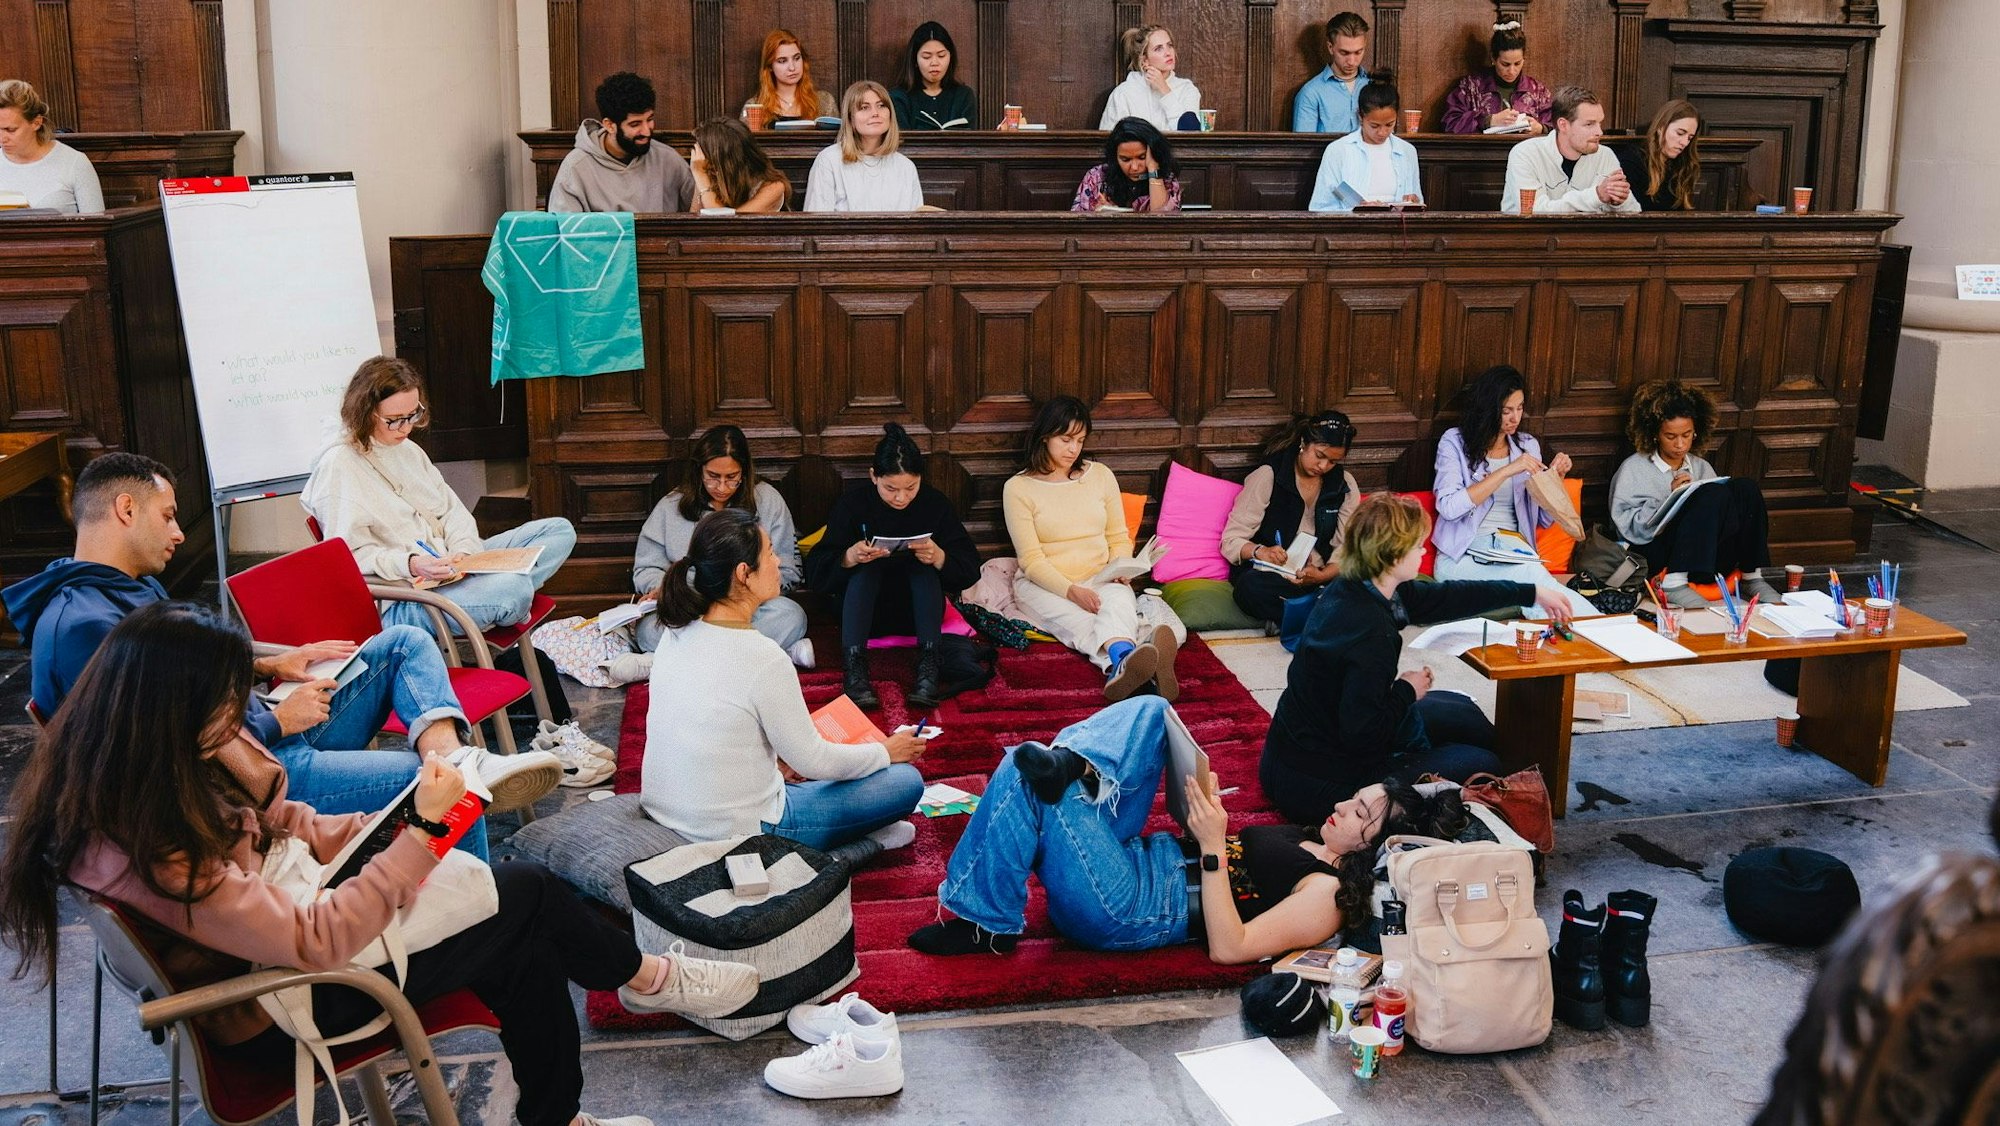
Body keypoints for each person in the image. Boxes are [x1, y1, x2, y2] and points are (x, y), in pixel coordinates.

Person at [0, 601, 759, 1126]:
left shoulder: (126, 772)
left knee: (518, 923)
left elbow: (274, 818)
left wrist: (362, 831)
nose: (239, 722)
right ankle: (643, 981)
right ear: (170, 712)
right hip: (287, 1000)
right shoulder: (159, 848)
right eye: (226, 712)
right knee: (522, 896)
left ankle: (609, 1029)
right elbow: (318, 942)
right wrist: (418, 840)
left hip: (279, 938)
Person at [0, 453, 559, 825]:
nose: (177, 532)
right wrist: (276, 721)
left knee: (401, 648)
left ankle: (455, 755)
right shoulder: (86, 628)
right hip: (255, 775)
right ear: (126, 509)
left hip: (265, 737)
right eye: (169, 516)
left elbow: (181, 675)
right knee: (447, 791)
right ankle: (470, 922)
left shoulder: (120, 589)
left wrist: (272, 665)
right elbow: (166, 755)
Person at [907, 695, 1470, 957]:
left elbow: (1232, 947)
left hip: (1127, 908)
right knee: (1152, 711)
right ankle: (1080, 765)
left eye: (1360, 814)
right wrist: (1193, 787)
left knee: (1029, 776)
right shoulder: (1310, 836)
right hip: (1131, 854)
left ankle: (986, 924)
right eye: (1353, 798)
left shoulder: (1326, 896)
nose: (1344, 807)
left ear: (1374, 847)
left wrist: (1210, 847)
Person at [1261, 493, 1575, 825]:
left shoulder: (1358, 584)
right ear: (1392, 556)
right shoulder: (1370, 633)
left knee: (1465, 715)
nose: (1424, 551)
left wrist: (1529, 591)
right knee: (1484, 761)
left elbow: (1446, 597)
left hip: (1296, 754)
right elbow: (1362, 736)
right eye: (1417, 546)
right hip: (1319, 781)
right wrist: (1406, 691)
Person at [641, 509, 927, 851]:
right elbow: (814, 762)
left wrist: (774, 765)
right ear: (744, 574)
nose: (778, 562)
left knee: (800, 770)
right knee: (905, 782)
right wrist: (885, 752)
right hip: (742, 830)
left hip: (667, 812)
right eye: (771, 553)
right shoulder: (764, 656)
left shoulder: (676, 632)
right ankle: (859, 845)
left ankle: (855, 835)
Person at [304, 357, 578, 635]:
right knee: (513, 588)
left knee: (558, 531)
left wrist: (464, 552)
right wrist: (412, 564)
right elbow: (349, 558)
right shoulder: (339, 466)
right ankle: (502, 598)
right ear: (365, 412)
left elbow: (451, 511)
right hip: (407, 597)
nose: (406, 428)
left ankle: (496, 598)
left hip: (450, 569)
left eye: (413, 414)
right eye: (394, 420)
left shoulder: (408, 450)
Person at [1002, 396, 1179, 703]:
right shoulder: (1018, 488)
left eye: (1080, 441)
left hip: (1100, 574)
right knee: (1082, 621)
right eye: (1066, 439)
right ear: (1045, 436)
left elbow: (1118, 535)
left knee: (1117, 601)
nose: (1074, 449)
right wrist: (1072, 591)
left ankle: (1121, 666)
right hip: (1044, 585)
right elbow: (1030, 560)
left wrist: (1120, 566)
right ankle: (1135, 656)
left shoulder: (1099, 475)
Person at [806, 423, 981, 711]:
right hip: (863, 615)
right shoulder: (853, 504)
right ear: (873, 476)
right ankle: (855, 669)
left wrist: (939, 556)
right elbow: (815, 571)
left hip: (917, 614)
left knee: (921, 567)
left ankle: (929, 666)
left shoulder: (934, 504)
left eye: (910, 488)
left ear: (920, 479)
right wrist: (849, 557)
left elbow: (969, 567)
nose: (901, 498)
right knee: (867, 569)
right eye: (890, 488)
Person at [630, 424, 810, 668]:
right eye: (713, 477)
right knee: (648, 630)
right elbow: (646, 567)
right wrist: (666, 588)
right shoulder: (671, 505)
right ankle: (764, 655)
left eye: (732, 478)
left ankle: (679, 661)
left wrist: (748, 592)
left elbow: (788, 571)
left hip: (748, 609)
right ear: (698, 471)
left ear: (744, 473)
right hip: (692, 611)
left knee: (790, 615)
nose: (722, 487)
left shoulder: (768, 501)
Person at [1431, 365, 1599, 617]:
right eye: (1506, 410)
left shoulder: (1527, 446)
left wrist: (1555, 479)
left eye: (1520, 408)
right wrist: (1506, 471)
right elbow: (1449, 507)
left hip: (1513, 552)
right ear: (1487, 409)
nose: (1515, 418)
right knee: (1531, 579)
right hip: (1462, 558)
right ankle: (1597, 631)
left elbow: (1544, 520)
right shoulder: (1454, 442)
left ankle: (1595, 631)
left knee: (1533, 578)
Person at [1610, 379, 1777, 609]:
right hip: (1660, 559)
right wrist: (1670, 500)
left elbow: (1719, 519)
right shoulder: (1634, 468)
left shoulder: (1700, 467)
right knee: (1708, 494)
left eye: (1686, 435)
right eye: (1671, 436)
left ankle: (1752, 576)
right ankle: (1673, 583)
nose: (1680, 444)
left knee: (1745, 488)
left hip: (1704, 560)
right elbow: (1625, 528)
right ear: (1655, 434)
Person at [1221, 412, 1362, 625]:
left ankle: (1298, 614)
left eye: (1333, 461)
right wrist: (1262, 551)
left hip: (1320, 577)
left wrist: (1323, 576)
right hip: (1273, 576)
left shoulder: (1345, 485)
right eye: (1319, 455)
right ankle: (1324, 615)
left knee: (1374, 577)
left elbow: (1347, 549)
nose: (1323, 466)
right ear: (1304, 443)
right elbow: (1231, 541)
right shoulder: (1269, 475)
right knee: (1249, 587)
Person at [547, 71, 695, 214]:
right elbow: (566, 230)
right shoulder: (575, 167)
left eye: (649, 120)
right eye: (635, 124)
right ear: (609, 125)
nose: (647, 131)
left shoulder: (668, 159)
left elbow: (700, 215)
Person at [1500, 86, 1638, 214]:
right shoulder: (1525, 153)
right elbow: (1532, 211)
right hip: (1529, 239)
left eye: (1599, 123)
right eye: (1589, 124)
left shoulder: (1605, 155)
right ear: (1563, 125)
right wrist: (1596, 196)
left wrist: (1617, 202)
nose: (1599, 132)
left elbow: (1634, 212)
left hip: (1586, 239)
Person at [802, 81, 925, 213]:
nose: (875, 113)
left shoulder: (906, 167)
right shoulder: (829, 160)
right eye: (864, 108)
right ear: (850, 119)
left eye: (881, 105)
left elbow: (915, 227)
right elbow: (817, 225)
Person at [1308, 82, 1423, 212]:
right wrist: (1358, 208)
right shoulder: (1339, 150)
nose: (1382, 132)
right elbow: (1321, 206)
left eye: (1389, 124)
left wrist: (1413, 202)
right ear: (1360, 116)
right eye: (1374, 126)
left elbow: (1418, 202)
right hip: (1353, 228)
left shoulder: (1407, 151)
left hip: (1397, 227)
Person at [0, 79, 103, 214]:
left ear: (36, 123)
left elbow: (96, 228)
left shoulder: (74, 163)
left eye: (11, 130)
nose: (2, 138)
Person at [1441, 22, 1553, 136]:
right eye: (1505, 64)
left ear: (1524, 59)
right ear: (1493, 58)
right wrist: (1488, 121)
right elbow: (1450, 123)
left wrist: (1541, 129)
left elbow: (1559, 129)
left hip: (1526, 152)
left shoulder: (1538, 91)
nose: (1512, 71)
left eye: (1517, 63)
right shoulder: (1471, 87)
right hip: (1482, 152)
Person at [1100, 25, 1201, 132]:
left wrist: (1165, 90)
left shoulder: (1187, 89)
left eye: (1169, 45)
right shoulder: (1123, 93)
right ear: (1144, 60)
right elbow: (1108, 139)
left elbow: (1192, 134)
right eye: (1158, 49)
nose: (1168, 53)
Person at [1071, 118, 1182, 213]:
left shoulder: (1166, 178)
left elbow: (1163, 221)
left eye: (1142, 157)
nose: (1134, 167)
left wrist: (1153, 169)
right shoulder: (1096, 177)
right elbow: (1078, 223)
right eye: (1125, 159)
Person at [1614, 99, 1704, 211]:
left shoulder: (1682, 166)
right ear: (1661, 127)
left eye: (1690, 138)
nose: (1685, 143)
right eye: (1680, 133)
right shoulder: (1631, 162)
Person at [688, 116, 790, 212]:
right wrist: (701, 177)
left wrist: (701, 176)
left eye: (703, 153)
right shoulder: (713, 173)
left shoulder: (774, 187)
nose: (698, 158)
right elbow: (692, 223)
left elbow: (727, 225)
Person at [1292, 12, 1372, 134]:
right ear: (1330, 47)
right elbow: (1303, 149)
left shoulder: (1374, 86)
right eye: (1344, 53)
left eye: (1358, 52)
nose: (1351, 61)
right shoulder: (1311, 93)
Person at [891, 22, 977, 130]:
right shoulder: (899, 97)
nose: (934, 63)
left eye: (941, 56)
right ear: (915, 60)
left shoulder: (964, 95)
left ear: (950, 57)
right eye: (927, 57)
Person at [750, 29, 835, 126]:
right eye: (782, 61)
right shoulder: (754, 108)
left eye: (797, 58)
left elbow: (839, 139)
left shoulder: (825, 102)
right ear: (770, 66)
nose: (792, 67)